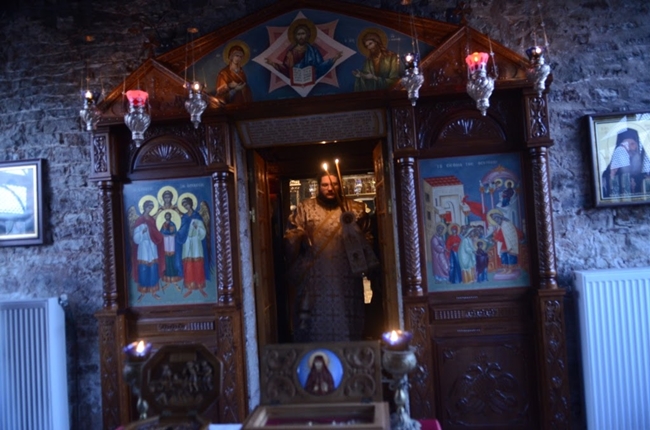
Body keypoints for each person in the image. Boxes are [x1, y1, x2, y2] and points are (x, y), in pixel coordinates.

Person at [284, 171, 375, 342]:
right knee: (315, 320)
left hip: (346, 275)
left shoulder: (355, 208)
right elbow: (290, 236)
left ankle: (348, 353)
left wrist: (355, 234)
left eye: (334, 184)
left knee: (347, 317)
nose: (330, 188)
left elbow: (368, 238)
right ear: (319, 187)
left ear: (340, 185)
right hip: (315, 275)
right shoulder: (305, 208)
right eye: (325, 185)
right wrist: (300, 236)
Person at [267, 19, 342, 84]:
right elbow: (286, 69)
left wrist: (334, 59)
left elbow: (321, 66)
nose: (301, 37)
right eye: (298, 34)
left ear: (307, 35)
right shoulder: (290, 53)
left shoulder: (313, 50)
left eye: (303, 34)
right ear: (295, 36)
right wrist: (273, 64)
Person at [131, 199, 165, 301]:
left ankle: (154, 292)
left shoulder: (152, 220)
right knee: (144, 269)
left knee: (153, 269)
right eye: (148, 207)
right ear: (145, 207)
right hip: (143, 249)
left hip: (152, 247)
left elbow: (156, 233)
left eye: (151, 208)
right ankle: (143, 292)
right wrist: (142, 232)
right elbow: (136, 239)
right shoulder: (139, 221)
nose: (149, 209)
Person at [601, 128, 650, 198]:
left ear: (638, 145)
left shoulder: (647, 171)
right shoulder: (608, 174)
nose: (629, 148)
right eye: (625, 145)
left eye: (632, 144)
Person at [176, 197, 209, 298]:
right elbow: (181, 231)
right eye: (184, 205)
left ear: (191, 204)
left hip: (196, 243)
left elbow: (203, 232)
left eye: (187, 204)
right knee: (188, 264)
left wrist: (197, 227)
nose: (186, 206)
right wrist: (177, 233)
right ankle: (189, 287)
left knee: (198, 264)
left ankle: (200, 286)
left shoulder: (197, 216)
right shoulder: (184, 218)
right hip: (187, 243)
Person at [488, 209, 522, 274]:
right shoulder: (499, 226)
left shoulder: (506, 224)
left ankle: (510, 269)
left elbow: (509, 234)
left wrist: (497, 238)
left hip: (509, 243)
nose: (495, 220)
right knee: (503, 256)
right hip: (503, 244)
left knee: (510, 256)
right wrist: (494, 238)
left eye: (496, 218)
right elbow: (498, 234)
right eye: (494, 219)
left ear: (499, 217)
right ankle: (505, 269)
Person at [159, 211, 181, 285]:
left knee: (172, 257)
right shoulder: (163, 224)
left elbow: (175, 232)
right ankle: (167, 275)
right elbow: (161, 232)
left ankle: (174, 274)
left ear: (170, 217)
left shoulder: (172, 224)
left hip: (172, 242)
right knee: (166, 258)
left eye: (168, 216)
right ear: (165, 217)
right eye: (166, 216)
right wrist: (163, 234)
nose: (167, 217)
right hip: (165, 242)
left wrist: (173, 234)